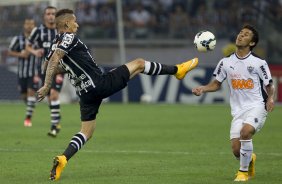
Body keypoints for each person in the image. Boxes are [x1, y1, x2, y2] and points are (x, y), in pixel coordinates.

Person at [36, 9, 198, 181]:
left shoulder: (54, 43)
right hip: (99, 85)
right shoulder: (68, 37)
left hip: (85, 94)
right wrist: (47, 85)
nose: (77, 24)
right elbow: (54, 62)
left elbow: (45, 67)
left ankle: (63, 158)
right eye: (74, 21)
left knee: (86, 132)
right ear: (67, 24)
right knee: (139, 63)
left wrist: (69, 69)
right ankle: (177, 70)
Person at [192, 24, 275, 181]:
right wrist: (203, 88)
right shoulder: (225, 62)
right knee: (237, 150)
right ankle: (249, 159)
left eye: (246, 35)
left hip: (257, 106)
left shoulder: (259, 62)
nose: (241, 35)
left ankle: (243, 172)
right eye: (240, 33)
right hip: (238, 110)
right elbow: (216, 84)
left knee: (246, 132)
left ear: (252, 43)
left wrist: (270, 98)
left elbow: (269, 85)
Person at [26, 6, 64, 137]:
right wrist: (35, 51)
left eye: (53, 14)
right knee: (49, 98)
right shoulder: (38, 31)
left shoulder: (61, 30)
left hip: (58, 69)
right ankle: (57, 119)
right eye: (48, 14)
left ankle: (54, 127)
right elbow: (28, 46)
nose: (51, 16)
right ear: (44, 16)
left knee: (53, 94)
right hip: (43, 69)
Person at [8, 18, 39, 127]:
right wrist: (20, 55)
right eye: (27, 24)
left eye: (32, 24)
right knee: (24, 96)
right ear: (24, 25)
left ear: (35, 26)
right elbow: (10, 51)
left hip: (34, 72)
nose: (29, 26)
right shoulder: (18, 39)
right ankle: (30, 107)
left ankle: (28, 118)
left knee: (31, 92)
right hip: (22, 73)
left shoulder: (38, 39)